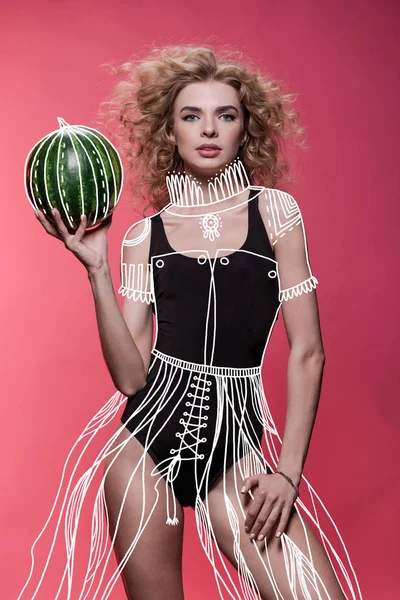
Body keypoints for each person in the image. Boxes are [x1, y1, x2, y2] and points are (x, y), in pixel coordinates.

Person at [19, 46, 363, 600]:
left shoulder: (274, 213)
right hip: (146, 444)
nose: (209, 129)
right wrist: (98, 270)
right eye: (191, 115)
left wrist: (288, 473)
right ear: (169, 131)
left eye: (225, 115)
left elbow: (308, 352)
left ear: (245, 128)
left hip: (239, 451)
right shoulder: (142, 238)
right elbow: (131, 379)